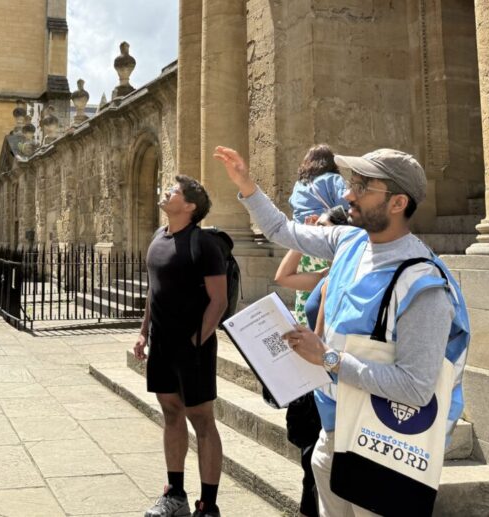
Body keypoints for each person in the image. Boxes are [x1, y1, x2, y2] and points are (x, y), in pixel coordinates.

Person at [215, 146, 468, 517]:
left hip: (382, 446)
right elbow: (281, 230)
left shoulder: (424, 285)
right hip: (333, 435)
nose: (348, 194)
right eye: (353, 183)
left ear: (398, 203)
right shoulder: (348, 241)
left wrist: (327, 358)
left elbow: (415, 387)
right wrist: (247, 185)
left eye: (363, 187)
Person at [133, 175, 228, 517]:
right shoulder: (159, 237)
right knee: (171, 413)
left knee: (202, 419)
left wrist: (197, 341)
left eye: (174, 191)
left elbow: (218, 300)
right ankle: (175, 494)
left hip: (194, 347)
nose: (166, 192)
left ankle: (209, 504)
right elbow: (153, 291)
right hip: (162, 345)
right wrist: (144, 333)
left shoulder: (204, 244)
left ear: (189, 206)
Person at [271, 208, 347, 517]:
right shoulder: (325, 274)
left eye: (326, 229)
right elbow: (282, 277)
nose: (319, 233)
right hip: (314, 372)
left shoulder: (342, 276)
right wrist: (303, 239)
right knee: (309, 458)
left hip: (326, 372)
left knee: (316, 459)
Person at [288, 145, 349, 326]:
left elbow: (294, 208)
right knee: (328, 285)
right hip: (326, 239)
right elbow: (345, 206)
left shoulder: (299, 185)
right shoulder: (334, 179)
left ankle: (304, 325)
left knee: (304, 288)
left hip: (303, 243)